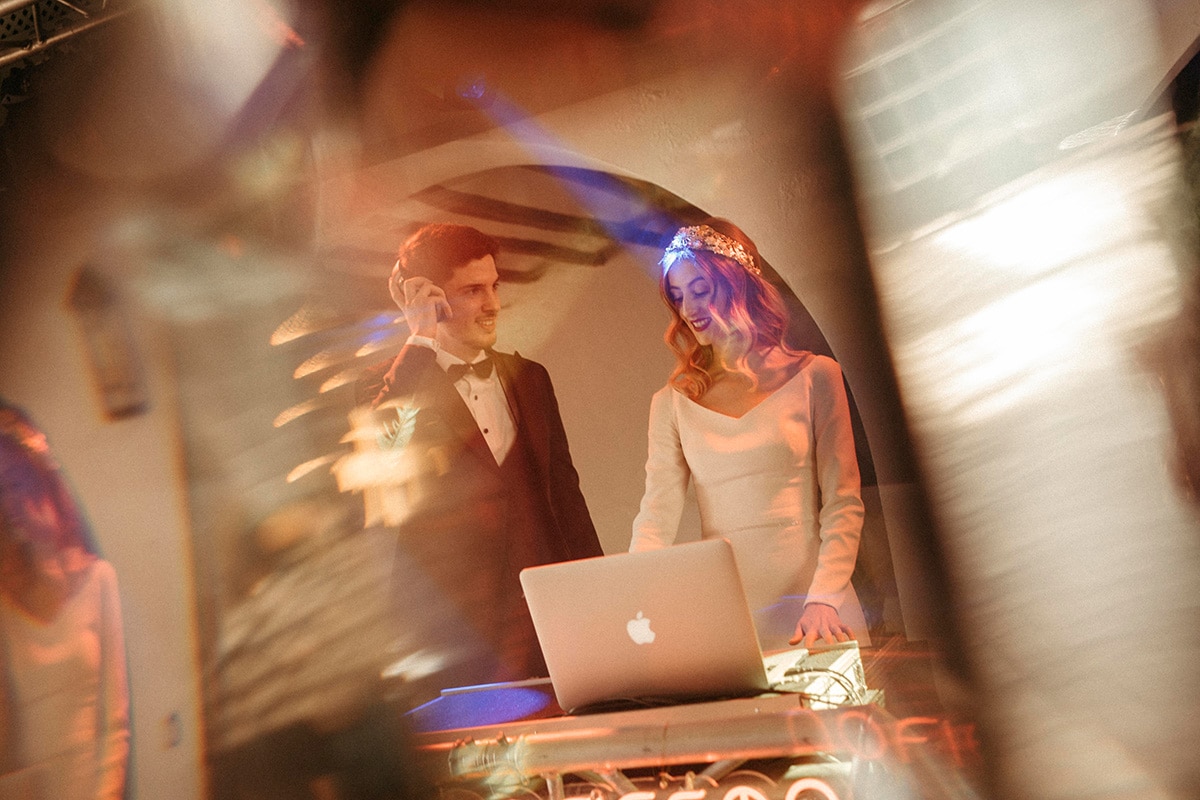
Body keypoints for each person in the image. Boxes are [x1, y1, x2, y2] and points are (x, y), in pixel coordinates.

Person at [354, 223, 602, 691]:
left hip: (549, 621)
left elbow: (566, 496)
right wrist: (420, 340)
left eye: (494, 287)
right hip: (459, 636)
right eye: (472, 291)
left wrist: (602, 595)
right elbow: (385, 454)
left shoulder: (531, 378)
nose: (492, 305)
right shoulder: (386, 385)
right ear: (429, 298)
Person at [630, 219, 870, 651]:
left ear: (738, 285)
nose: (688, 309)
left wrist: (825, 598)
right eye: (679, 296)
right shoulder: (671, 403)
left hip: (818, 610)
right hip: (726, 613)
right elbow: (656, 516)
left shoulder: (817, 375)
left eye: (701, 289)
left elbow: (843, 502)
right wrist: (631, 600)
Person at [0, 401, 129, 800]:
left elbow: (116, 727)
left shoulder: (98, 580)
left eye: (16, 485)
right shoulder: (3, 610)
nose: (13, 507)